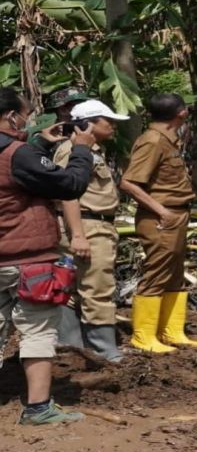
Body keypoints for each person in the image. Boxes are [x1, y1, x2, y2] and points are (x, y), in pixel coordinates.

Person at [0, 87, 95, 424]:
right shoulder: (18, 154)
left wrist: (38, 145)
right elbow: (68, 185)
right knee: (37, 330)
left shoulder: (21, 153)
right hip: (26, 257)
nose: (27, 120)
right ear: (11, 116)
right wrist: (82, 151)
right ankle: (38, 408)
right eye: (25, 114)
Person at [119, 93, 197, 353]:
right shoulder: (153, 141)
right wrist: (161, 211)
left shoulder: (169, 140)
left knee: (174, 274)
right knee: (157, 274)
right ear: (182, 113)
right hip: (161, 218)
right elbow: (129, 183)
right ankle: (144, 336)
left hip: (175, 215)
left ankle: (171, 331)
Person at [53, 100, 129, 362]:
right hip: (86, 225)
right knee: (97, 287)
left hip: (94, 224)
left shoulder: (93, 150)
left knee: (75, 288)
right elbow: (68, 194)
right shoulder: (73, 151)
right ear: (88, 124)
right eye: (108, 121)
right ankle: (103, 350)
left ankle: (72, 347)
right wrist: (78, 235)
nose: (113, 127)